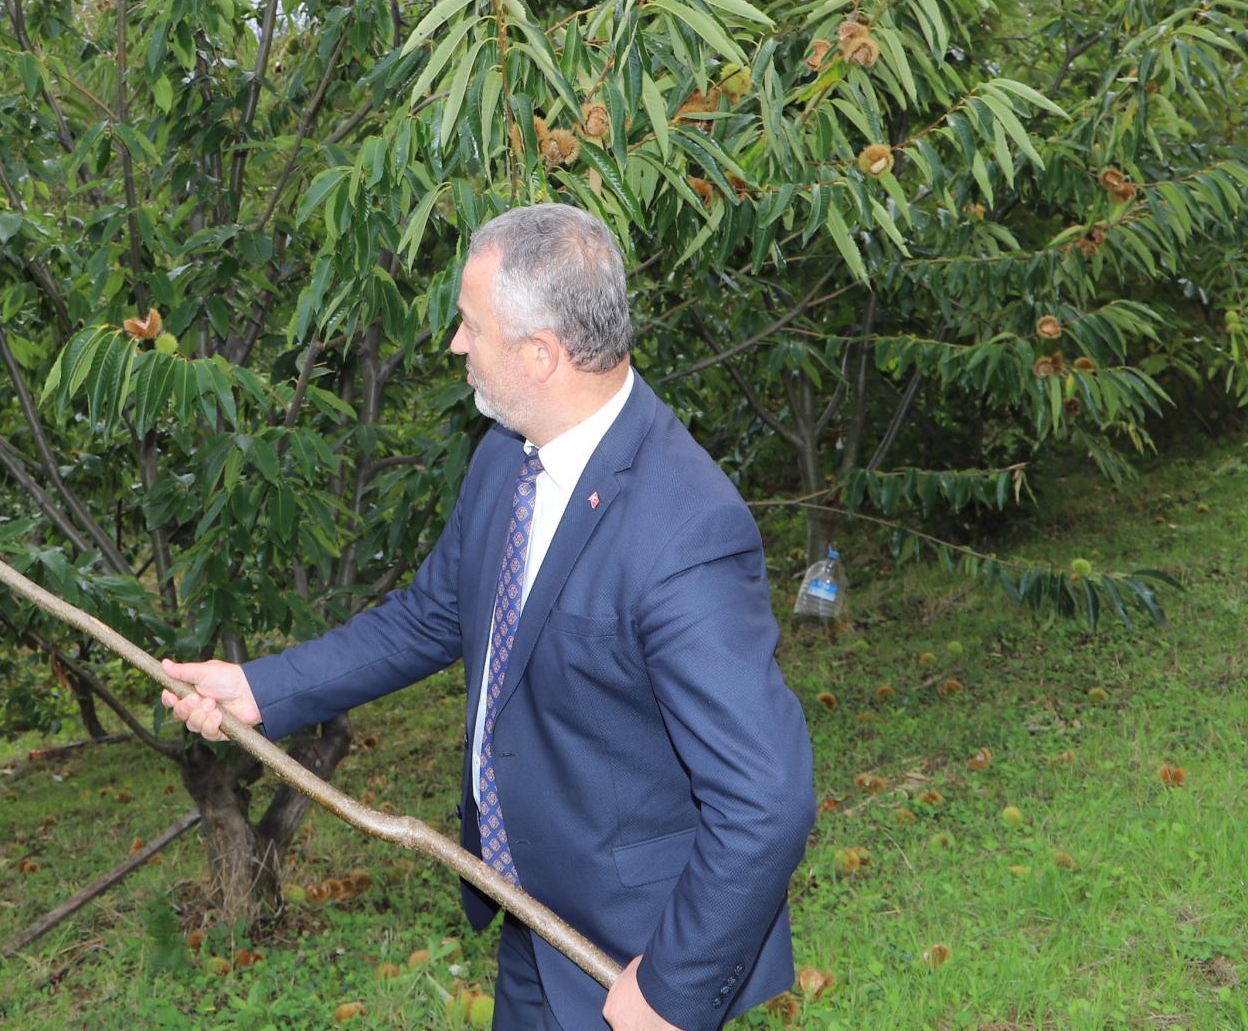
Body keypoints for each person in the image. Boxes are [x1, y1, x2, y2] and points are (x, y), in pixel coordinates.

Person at [162, 203, 816, 1031]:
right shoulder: (507, 455)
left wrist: (673, 989)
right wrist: (259, 687)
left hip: (630, 956)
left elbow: (767, 797)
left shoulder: (685, 530)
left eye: (471, 325)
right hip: (531, 914)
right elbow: (431, 617)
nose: (455, 345)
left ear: (541, 353)